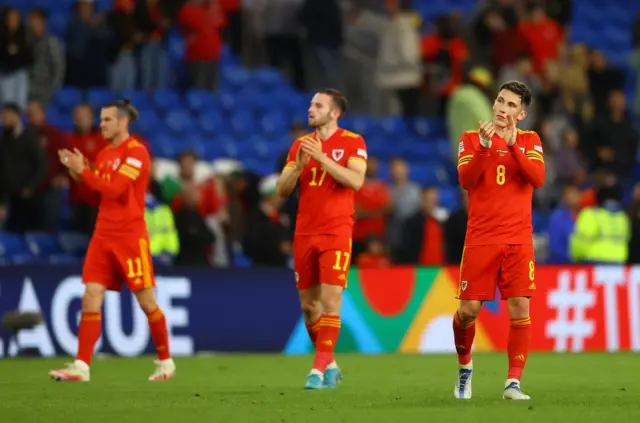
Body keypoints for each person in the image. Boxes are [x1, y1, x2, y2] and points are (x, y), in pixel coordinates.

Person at [49, 98, 175, 382]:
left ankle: (166, 361)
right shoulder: (105, 155)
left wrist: (85, 173)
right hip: (102, 235)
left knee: (147, 302)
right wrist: (79, 176)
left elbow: (117, 190)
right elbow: (96, 197)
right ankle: (82, 366)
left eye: (106, 119)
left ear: (122, 122)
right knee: (90, 297)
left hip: (130, 237)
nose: (101, 124)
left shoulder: (137, 152)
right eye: (101, 119)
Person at [453, 81, 545, 400]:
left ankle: (513, 383)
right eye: (499, 101)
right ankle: (465, 368)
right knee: (468, 310)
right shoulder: (469, 139)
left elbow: (537, 178)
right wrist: (482, 146)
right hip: (481, 238)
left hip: (518, 239)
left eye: (510, 105)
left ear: (521, 114)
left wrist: (513, 145)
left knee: (520, 307)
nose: (502, 109)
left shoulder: (531, 140)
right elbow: (466, 181)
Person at [275, 89, 367, 389]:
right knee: (308, 306)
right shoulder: (300, 145)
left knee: (331, 301)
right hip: (304, 232)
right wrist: (300, 167)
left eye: (318, 105)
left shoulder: (353, 142)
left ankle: (316, 370)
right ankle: (331, 365)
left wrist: (323, 159)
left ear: (334, 113)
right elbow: (281, 189)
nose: (311, 109)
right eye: (311, 104)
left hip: (336, 231)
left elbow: (355, 180)